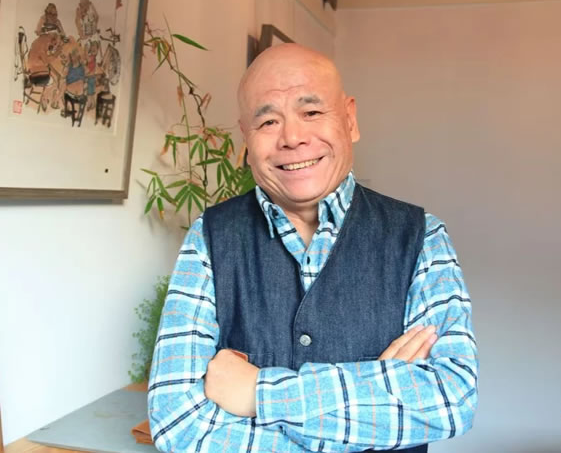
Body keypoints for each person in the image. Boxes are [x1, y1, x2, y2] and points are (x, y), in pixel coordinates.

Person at [148, 43, 478, 452]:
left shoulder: (421, 236)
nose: (292, 138)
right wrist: (374, 396)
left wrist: (259, 394)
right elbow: (178, 424)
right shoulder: (209, 238)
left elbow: (450, 398)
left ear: (350, 120)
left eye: (312, 112)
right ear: (246, 138)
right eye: (268, 121)